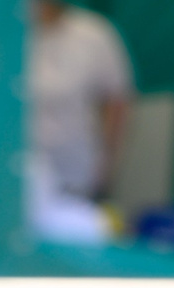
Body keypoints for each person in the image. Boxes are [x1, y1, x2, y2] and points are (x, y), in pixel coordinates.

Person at [24, 0, 134, 242]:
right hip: (22, 183)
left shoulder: (94, 33)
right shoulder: (7, 37)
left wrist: (106, 167)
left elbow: (117, 102)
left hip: (77, 179)